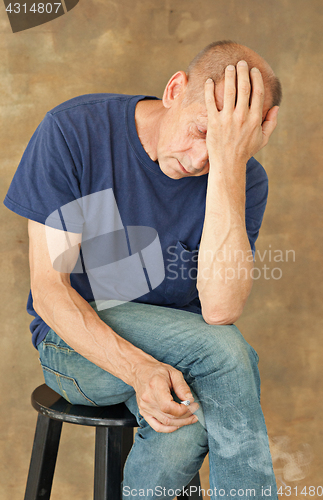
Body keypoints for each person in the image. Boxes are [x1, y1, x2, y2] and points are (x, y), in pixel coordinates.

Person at [4, 41, 282, 499]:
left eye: (220, 148)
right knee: (225, 355)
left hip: (187, 357)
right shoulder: (74, 132)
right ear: (175, 89)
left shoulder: (243, 180)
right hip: (75, 346)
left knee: (188, 423)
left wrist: (230, 168)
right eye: (199, 131)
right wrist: (139, 371)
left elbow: (219, 309)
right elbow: (49, 293)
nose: (198, 161)